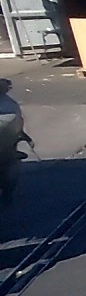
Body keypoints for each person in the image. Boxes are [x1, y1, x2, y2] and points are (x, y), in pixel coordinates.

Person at [0, 78, 33, 206]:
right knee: (9, 168)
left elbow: (15, 125)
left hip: (7, 147)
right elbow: (16, 124)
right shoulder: (10, 105)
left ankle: (7, 196)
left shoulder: (9, 106)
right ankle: (7, 196)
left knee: (8, 168)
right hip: (7, 149)